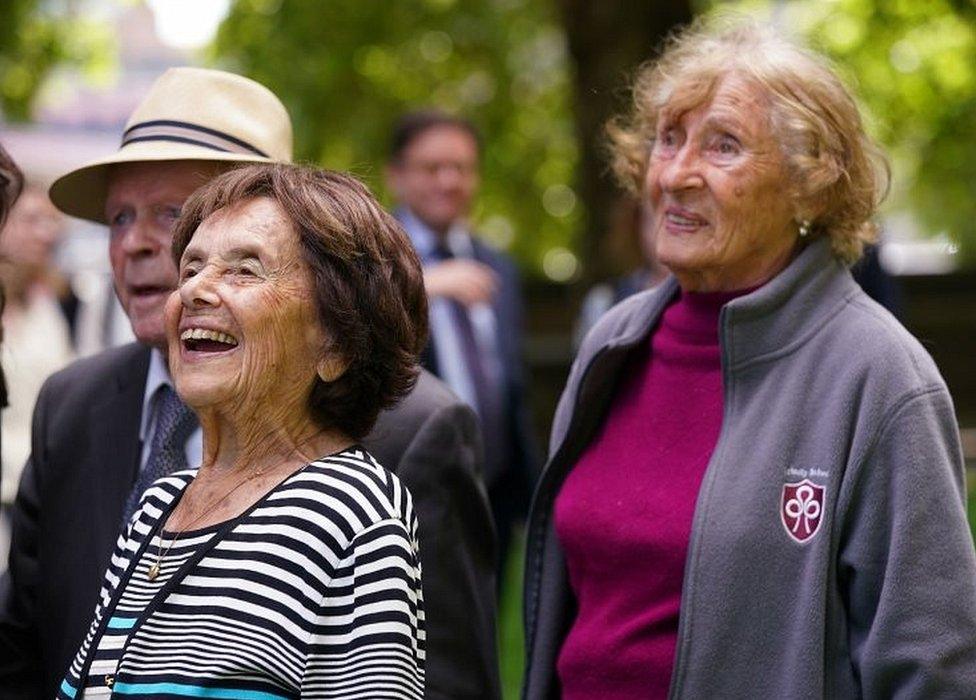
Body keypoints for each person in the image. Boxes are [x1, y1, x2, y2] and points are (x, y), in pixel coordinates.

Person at [0, 68, 498, 700]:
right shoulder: (103, 442)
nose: (137, 244)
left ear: (333, 328)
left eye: (174, 214)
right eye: (120, 217)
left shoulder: (387, 467)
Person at [523, 20, 976, 699]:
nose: (676, 175)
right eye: (668, 141)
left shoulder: (879, 377)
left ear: (812, 184)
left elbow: (931, 669)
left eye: (723, 146)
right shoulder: (613, 345)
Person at [58, 162, 426, 697]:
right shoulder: (158, 505)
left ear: (337, 343)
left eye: (244, 270)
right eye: (190, 269)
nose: (193, 293)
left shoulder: (353, 514)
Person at [387, 110, 537, 578]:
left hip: (492, 490)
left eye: (462, 168)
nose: (449, 181)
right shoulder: (371, 259)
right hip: (404, 490)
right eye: (432, 168)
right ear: (397, 176)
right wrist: (424, 285)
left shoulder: (499, 267)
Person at [0, 188, 75, 516]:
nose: (48, 233)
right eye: (32, 220)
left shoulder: (52, 303)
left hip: (39, 489)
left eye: (52, 221)